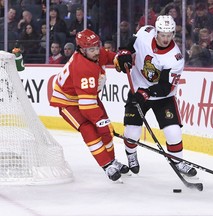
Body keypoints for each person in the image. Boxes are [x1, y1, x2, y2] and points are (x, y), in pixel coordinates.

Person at [113, 15, 197, 177]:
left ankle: (178, 162)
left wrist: (146, 93)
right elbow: (131, 42)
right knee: (132, 132)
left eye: (169, 35)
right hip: (137, 90)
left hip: (162, 98)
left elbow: (165, 86)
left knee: (173, 132)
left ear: (173, 34)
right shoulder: (146, 32)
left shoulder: (175, 58)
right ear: (156, 32)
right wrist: (124, 52)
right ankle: (131, 156)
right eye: (162, 35)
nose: (166, 39)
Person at [50, 29, 129, 181]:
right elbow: (86, 107)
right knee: (89, 129)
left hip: (88, 98)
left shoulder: (96, 53)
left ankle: (112, 161)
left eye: (96, 47)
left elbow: (111, 57)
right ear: (81, 50)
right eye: (91, 49)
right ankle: (106, 165)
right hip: (68, 102)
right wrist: (100, 122)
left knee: (106, 131)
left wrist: (121, 59)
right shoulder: (82, 67)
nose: (96, 51)